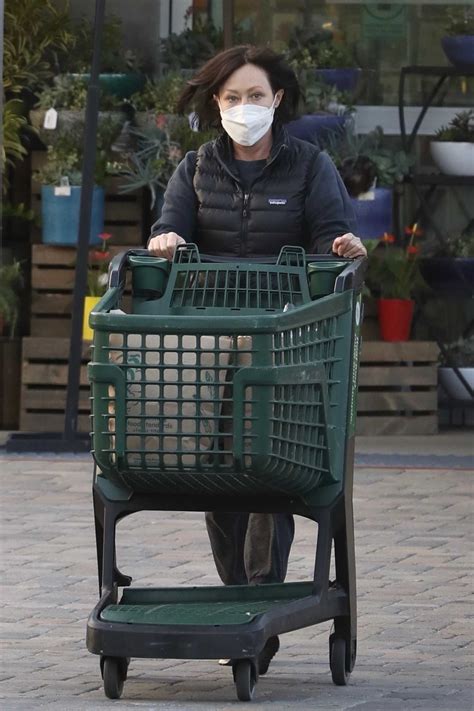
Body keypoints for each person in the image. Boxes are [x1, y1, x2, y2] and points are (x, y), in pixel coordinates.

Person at [148, 45, 366, 673]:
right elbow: (171, 229)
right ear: (216, 104)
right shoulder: (194, 169)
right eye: (232, 98)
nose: (245, 108)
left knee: (269, 467)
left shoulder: (309, 166)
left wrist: (343, 245)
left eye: (256, 96)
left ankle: (258, 605)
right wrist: (167, 241)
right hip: (214, 342)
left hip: (288, 343)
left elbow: (334, 240)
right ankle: (239, 597)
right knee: (218, 475)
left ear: (278, 100)